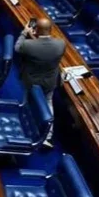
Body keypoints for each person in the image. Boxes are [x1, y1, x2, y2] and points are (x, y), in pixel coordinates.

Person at [14, 18, 64, 148]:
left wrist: (24, 33)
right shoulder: (61, 44)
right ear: (50, 30)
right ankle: (48, 135)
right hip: (49, 82)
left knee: (26, 102)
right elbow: (46, 50)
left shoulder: (29, 45)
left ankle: (24, 126)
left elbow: (17, 48)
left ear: (35, 30)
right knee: (48, 104)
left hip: (31, 81)